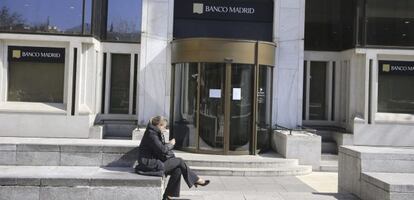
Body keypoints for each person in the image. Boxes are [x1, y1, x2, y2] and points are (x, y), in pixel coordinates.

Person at [136, 116, 210, 200]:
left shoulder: (154, 133)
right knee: (179, 161)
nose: (165, 129)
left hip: (154, 162)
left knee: (177, 169)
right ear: (159, 125)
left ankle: (168, 196)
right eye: (164, 127)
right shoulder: (151, 134)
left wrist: (169, 150)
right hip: (149, 165)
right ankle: (196, 180)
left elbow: (159, 149)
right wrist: (170, 144)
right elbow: (163, 149)